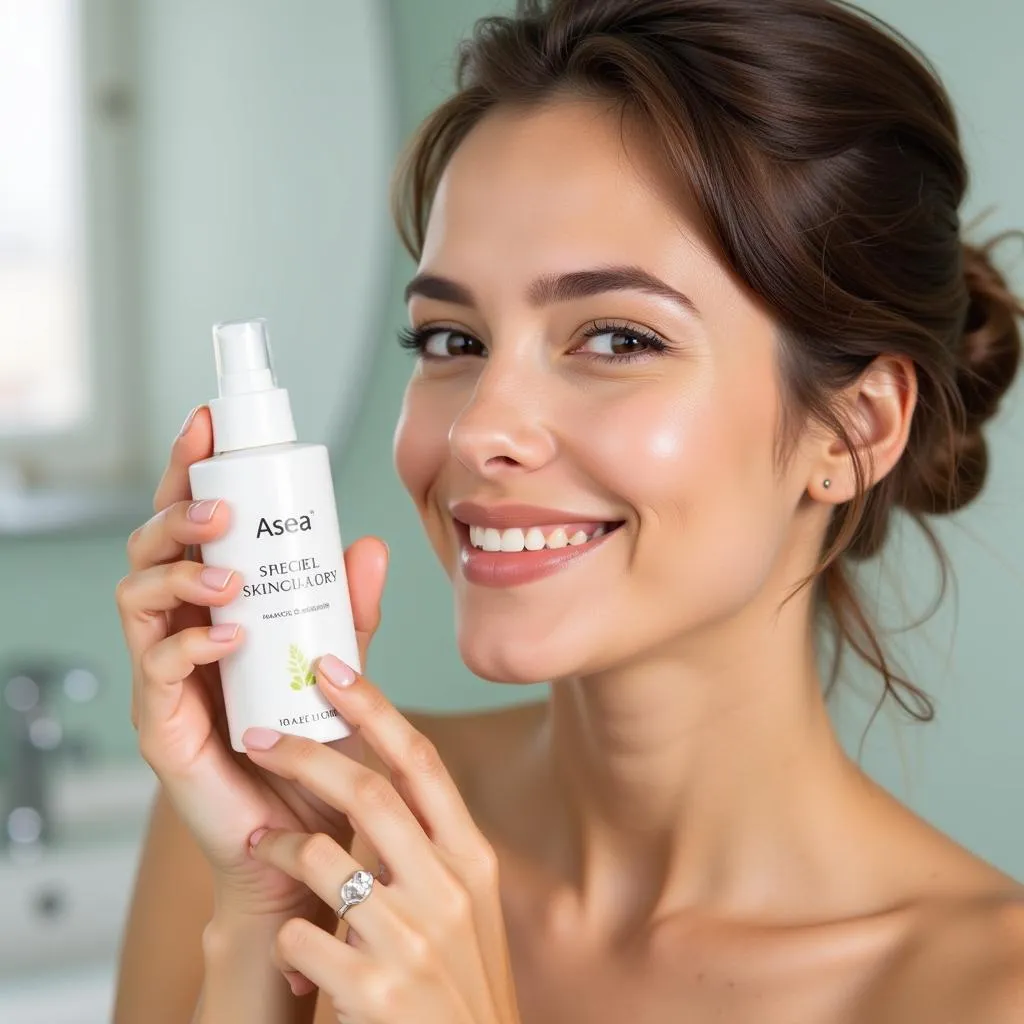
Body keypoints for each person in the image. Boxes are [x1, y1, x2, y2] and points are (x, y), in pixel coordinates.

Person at [113, 0, 1024, 1021]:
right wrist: (262, 924)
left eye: (619, 337)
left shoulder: (979, 989)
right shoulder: (284, 821)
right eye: (451, 340)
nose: (479, 431)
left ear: (854, 428)